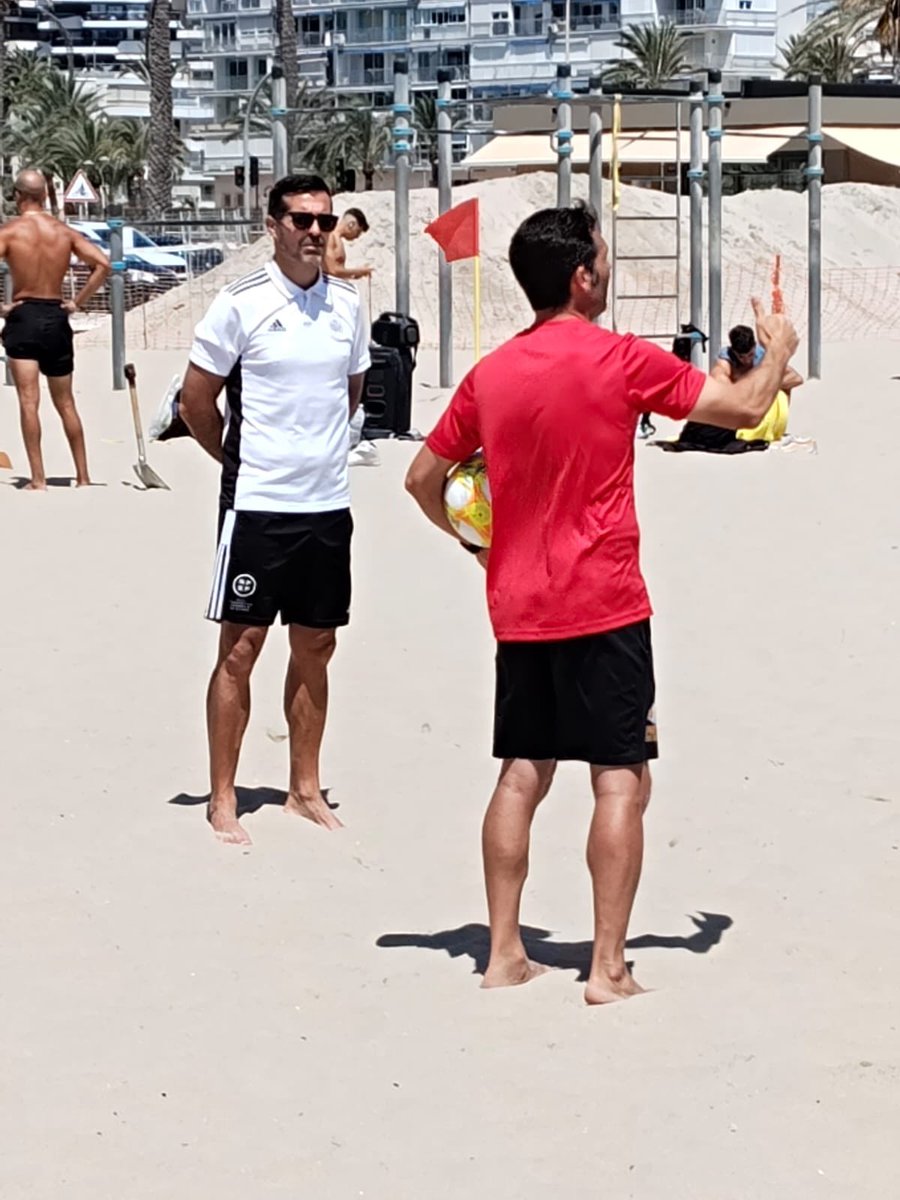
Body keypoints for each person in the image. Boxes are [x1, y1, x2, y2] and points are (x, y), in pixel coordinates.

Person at [405, 204, 797, 1005]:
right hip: (606, 603)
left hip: (518, 604)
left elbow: (421, 480)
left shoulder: (491, 373)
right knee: (620, 782)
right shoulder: (619, 358)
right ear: (582, 277)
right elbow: (746, 411)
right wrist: (780, 348)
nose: (609, 270)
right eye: (605, 260)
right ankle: (609, 969)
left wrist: (477, 545)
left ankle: (503, 955)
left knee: (522, 774)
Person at [179, 174, 371, 846]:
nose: (314, 231)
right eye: (300, 219)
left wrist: (318, 453)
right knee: (241, 649)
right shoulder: (240, 303)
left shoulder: (347, 305)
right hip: (258, 506)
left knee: (317, 645)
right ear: (273, 226)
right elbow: (195, 401)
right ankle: (223, 796)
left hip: (327, 504)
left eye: (324, 220)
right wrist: (236, 461)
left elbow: (350, 390)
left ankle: (303, 789)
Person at [0, 169, 111, 490]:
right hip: (56, 315)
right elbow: (103, 264)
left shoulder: (11, 231)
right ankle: (83, 476)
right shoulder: (64, 232)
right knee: (66, 403)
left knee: (28, 401)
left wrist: (2, 307)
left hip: (24, 315)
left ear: (18, 196)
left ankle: (38, 479)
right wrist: (77, 302)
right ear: (45, 196)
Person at [712, 322, 804, 444]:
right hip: (739, 406)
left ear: (755, 346)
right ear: (734, 351)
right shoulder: (727, 358)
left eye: (750, 355)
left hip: (762, 404)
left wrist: (763, 384)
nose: (746, 360)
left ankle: (775, 428)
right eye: (741, 357)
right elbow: (718, 378)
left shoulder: (764, 356)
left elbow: (796, 379)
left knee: (781, 386)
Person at [323, 208, 372, 282]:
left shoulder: (338, 240)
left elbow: (337, 273)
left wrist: (355, 275)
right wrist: (358, 271)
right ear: (351, 225)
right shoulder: (330, 237)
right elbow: (331, 270)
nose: (357, 236)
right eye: (358, 231)